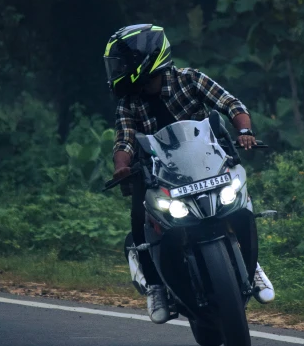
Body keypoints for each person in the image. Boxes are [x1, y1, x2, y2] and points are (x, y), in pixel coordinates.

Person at [104, 23, 275, 323]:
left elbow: (230, 104)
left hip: (211, 165)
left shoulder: (189, 79)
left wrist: (245, 130)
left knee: (240, 203)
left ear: (146, 58)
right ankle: (156, 285)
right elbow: (124, 140)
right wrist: (121, 165)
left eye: (122, 64)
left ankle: (253, 267)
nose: (117, 70)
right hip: (160, 177)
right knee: (139, 218)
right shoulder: (128, 103)